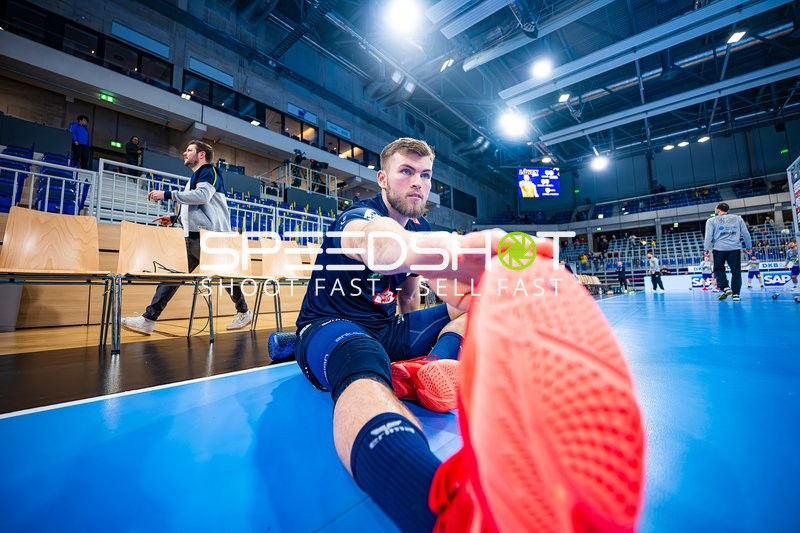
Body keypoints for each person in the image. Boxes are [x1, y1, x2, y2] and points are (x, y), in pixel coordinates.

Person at [293, 138, 644, 532]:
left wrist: (417, 337)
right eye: (406, 172)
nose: (418, 182)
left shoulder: (419, 225)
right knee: (363, 359)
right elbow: (380, 244)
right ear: (382, 179)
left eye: (425, 175)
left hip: (385, 330)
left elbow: (408, 295)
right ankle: (441, 512)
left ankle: (435, 366)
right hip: (331, 326)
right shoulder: (358, 216)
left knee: (471, 303)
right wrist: (444, 251)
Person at [121, 140, 252, 335]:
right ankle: (148, 319)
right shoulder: (196, 177)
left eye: (189, 150)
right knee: (173, 276)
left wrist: (167, 194)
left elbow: (203, 196)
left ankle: (243, 311)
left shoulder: (208, 170)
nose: (184, 153)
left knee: (223, 276)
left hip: (209, 238)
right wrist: (174, 218)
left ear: (201, 154)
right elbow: (197, 207)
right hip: (194, 236)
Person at [704, 202, 752, 302]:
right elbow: (745, 233)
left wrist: (706, 249)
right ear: (728, 210)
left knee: (718, 270)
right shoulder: (738, 218)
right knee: (736, 272)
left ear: (718, 210)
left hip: (719, 249)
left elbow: (708, 236)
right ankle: (736, 295)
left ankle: (725, 287)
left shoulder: (711, 220)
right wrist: (749, 247)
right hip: (734, 249)